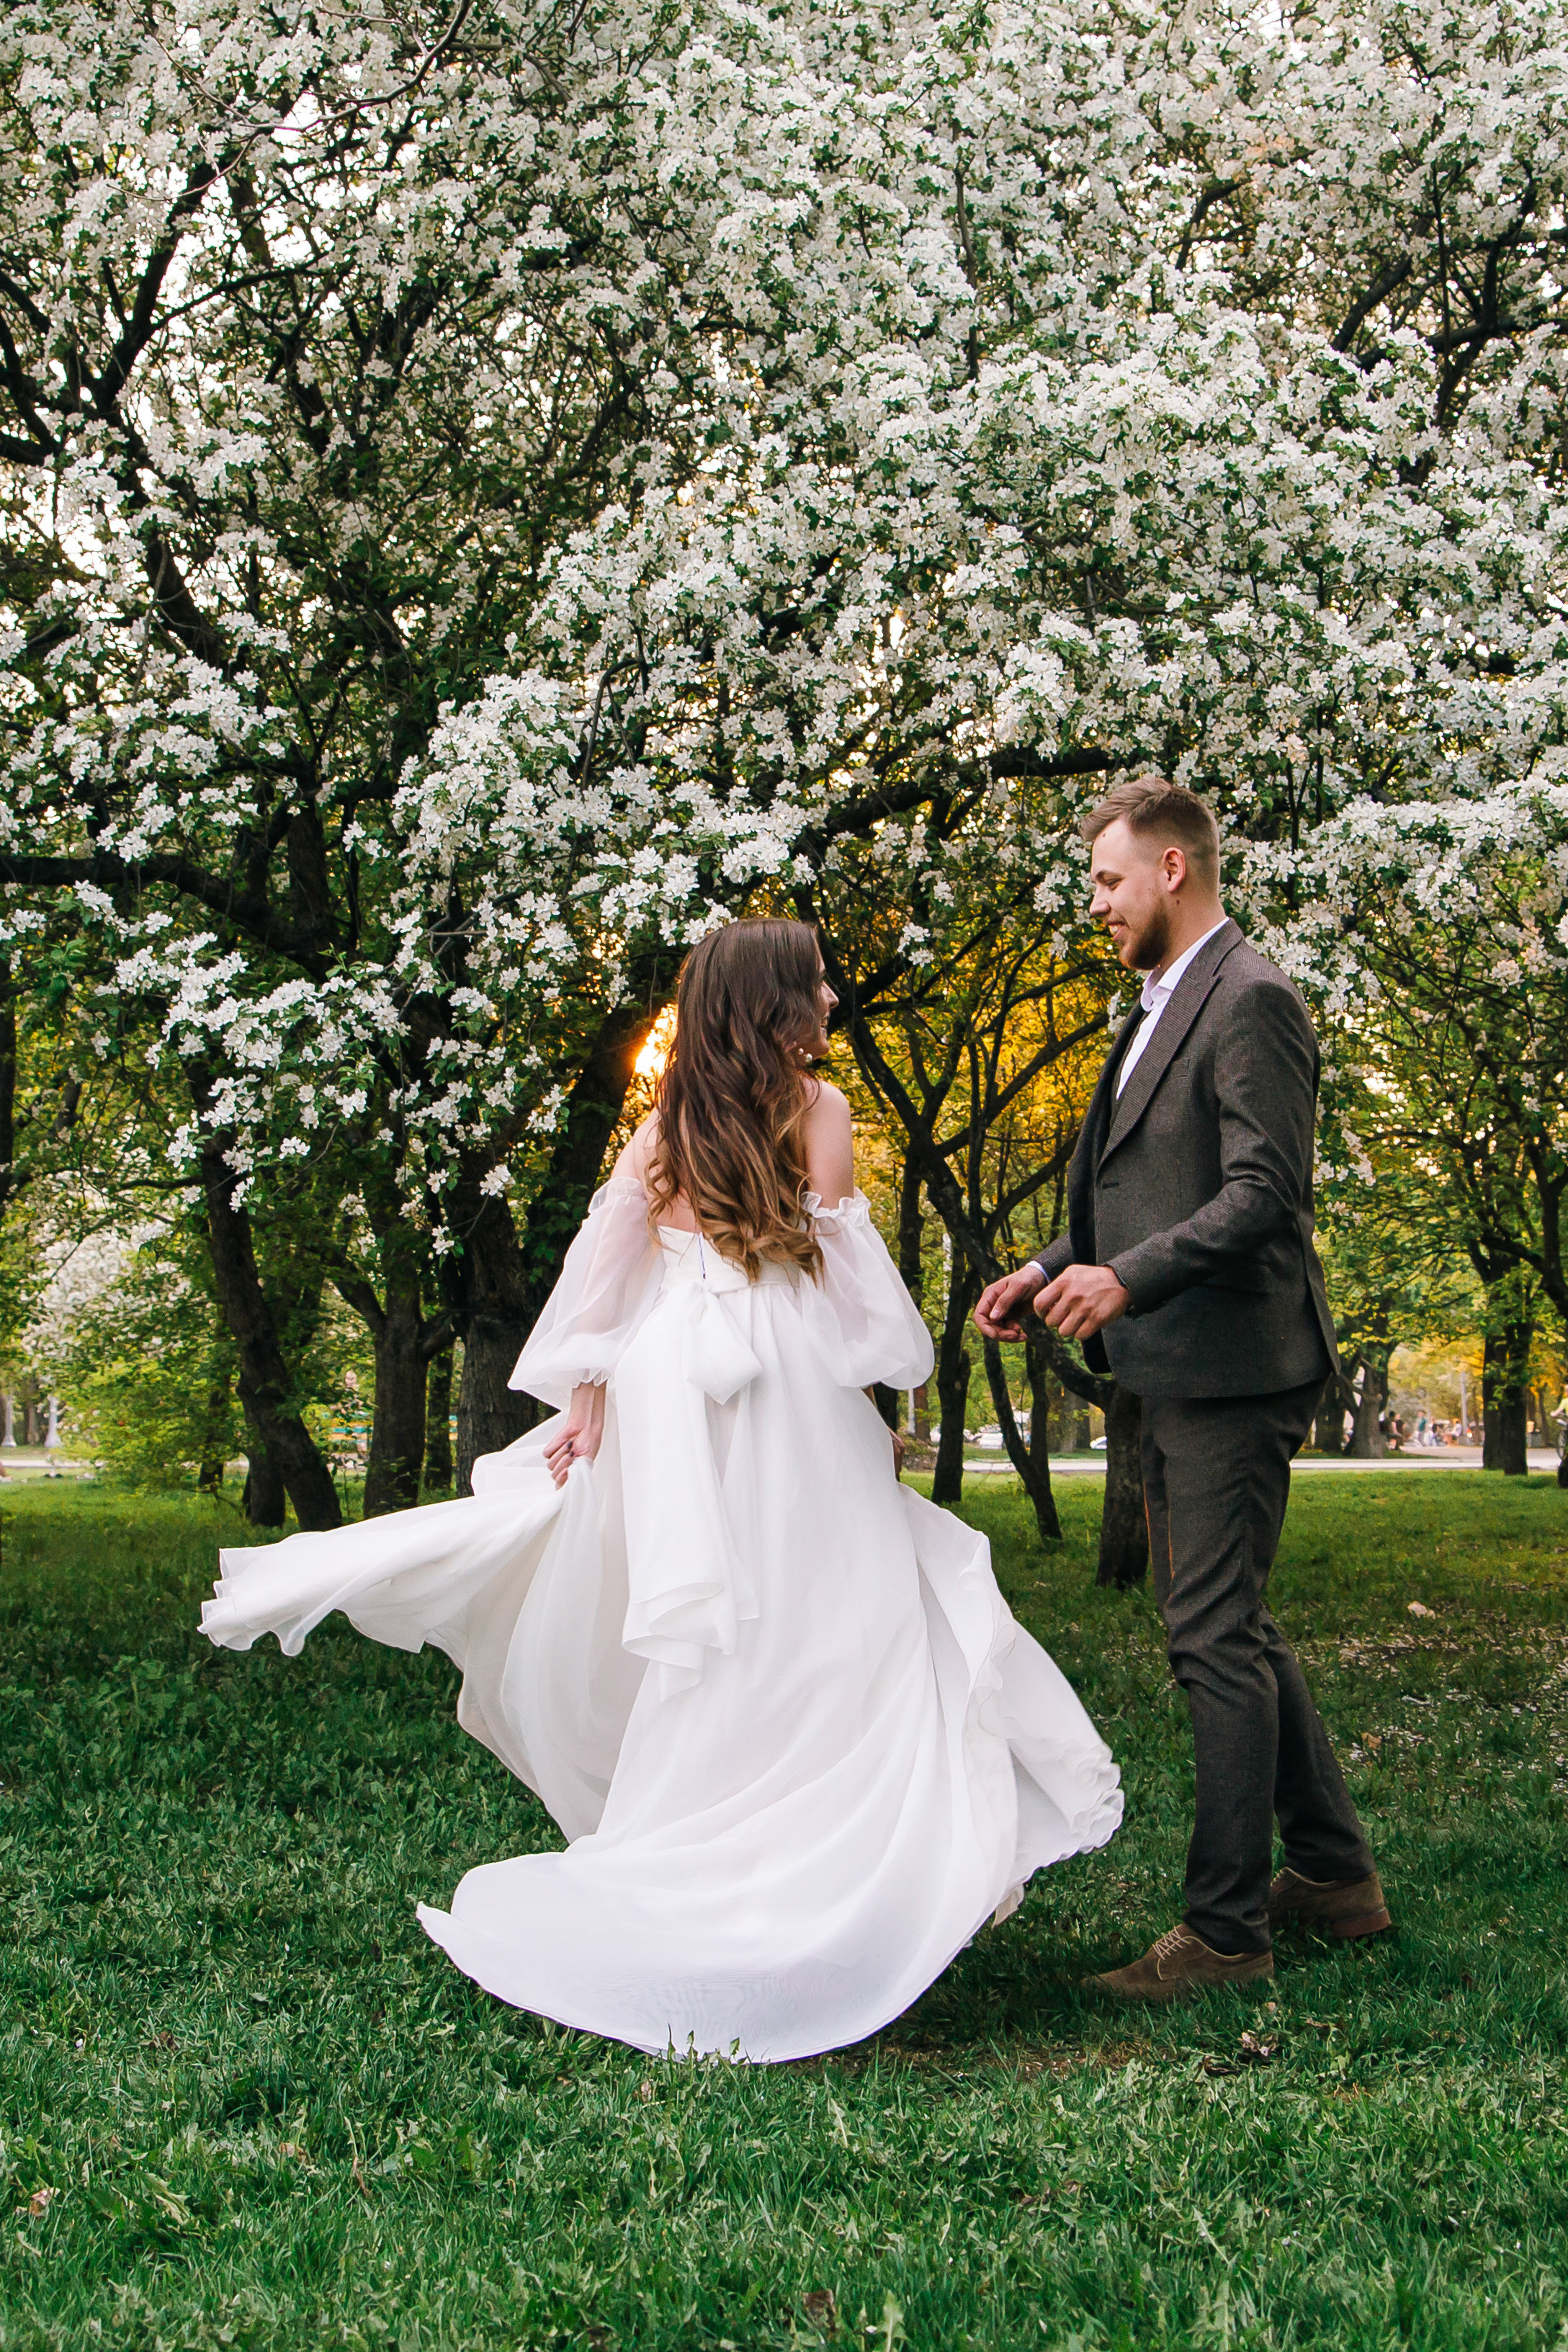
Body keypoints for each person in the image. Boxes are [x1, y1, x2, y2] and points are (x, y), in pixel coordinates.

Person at [202, 919, 1121, 2062]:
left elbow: (608, 1263)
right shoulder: (817, 1112)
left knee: (717, 1640)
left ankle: (706, 1865)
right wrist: (868, 1409)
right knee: (831, 1622)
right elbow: (837, 1289)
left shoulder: (665, 1119)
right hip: (775, 1376)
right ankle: (817, 1879)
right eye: (817, 983)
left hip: (668, 1386)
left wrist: (591, 1384)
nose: (833, 997)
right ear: (778, 1004)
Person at [976, 777, 1388, 2004]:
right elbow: (1126, 1188)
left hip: (1234, 1370)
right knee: (1236, 1623)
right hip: (1174, 1368)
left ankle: (1222, 1936)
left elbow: (1264, 1193)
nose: (1093, 905)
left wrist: (1124, 1283)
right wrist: (1051, 1264)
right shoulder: (1157, 1002)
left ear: (1169, 869)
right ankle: (1331, 1876)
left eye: (1106, 881)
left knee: (1210, 1635)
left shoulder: (1250, 997)